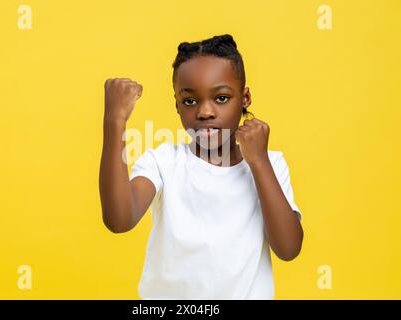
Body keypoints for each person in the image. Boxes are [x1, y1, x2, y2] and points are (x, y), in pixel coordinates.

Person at [99, 34, 304, 299]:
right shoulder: (162, 162)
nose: (205, 112)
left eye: (220, 98)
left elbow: (288, 249)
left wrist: (259, 161)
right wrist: (114, 120)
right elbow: (119, 220)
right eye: (189, 101)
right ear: (176, 105)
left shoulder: (271, 163)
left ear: (245, 98)